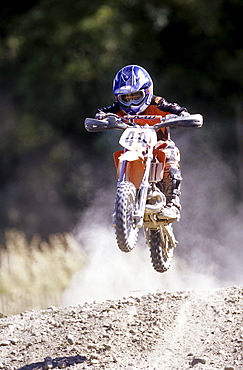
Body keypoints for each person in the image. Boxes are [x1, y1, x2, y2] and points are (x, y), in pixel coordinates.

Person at [95, 65, 190, 222]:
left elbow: (176, 109)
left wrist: (183, 115)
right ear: (119, 98)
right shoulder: (119, 107)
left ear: (147, 92)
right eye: (126, 97)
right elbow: (104, 111)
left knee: (170, 152)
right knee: (121, 155)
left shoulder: (157, 103)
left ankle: (173, 204)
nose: (131, 102)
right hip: (134, 146)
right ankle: (124, 202)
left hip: (159, 145)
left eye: (136, 96)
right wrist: (101, 117)